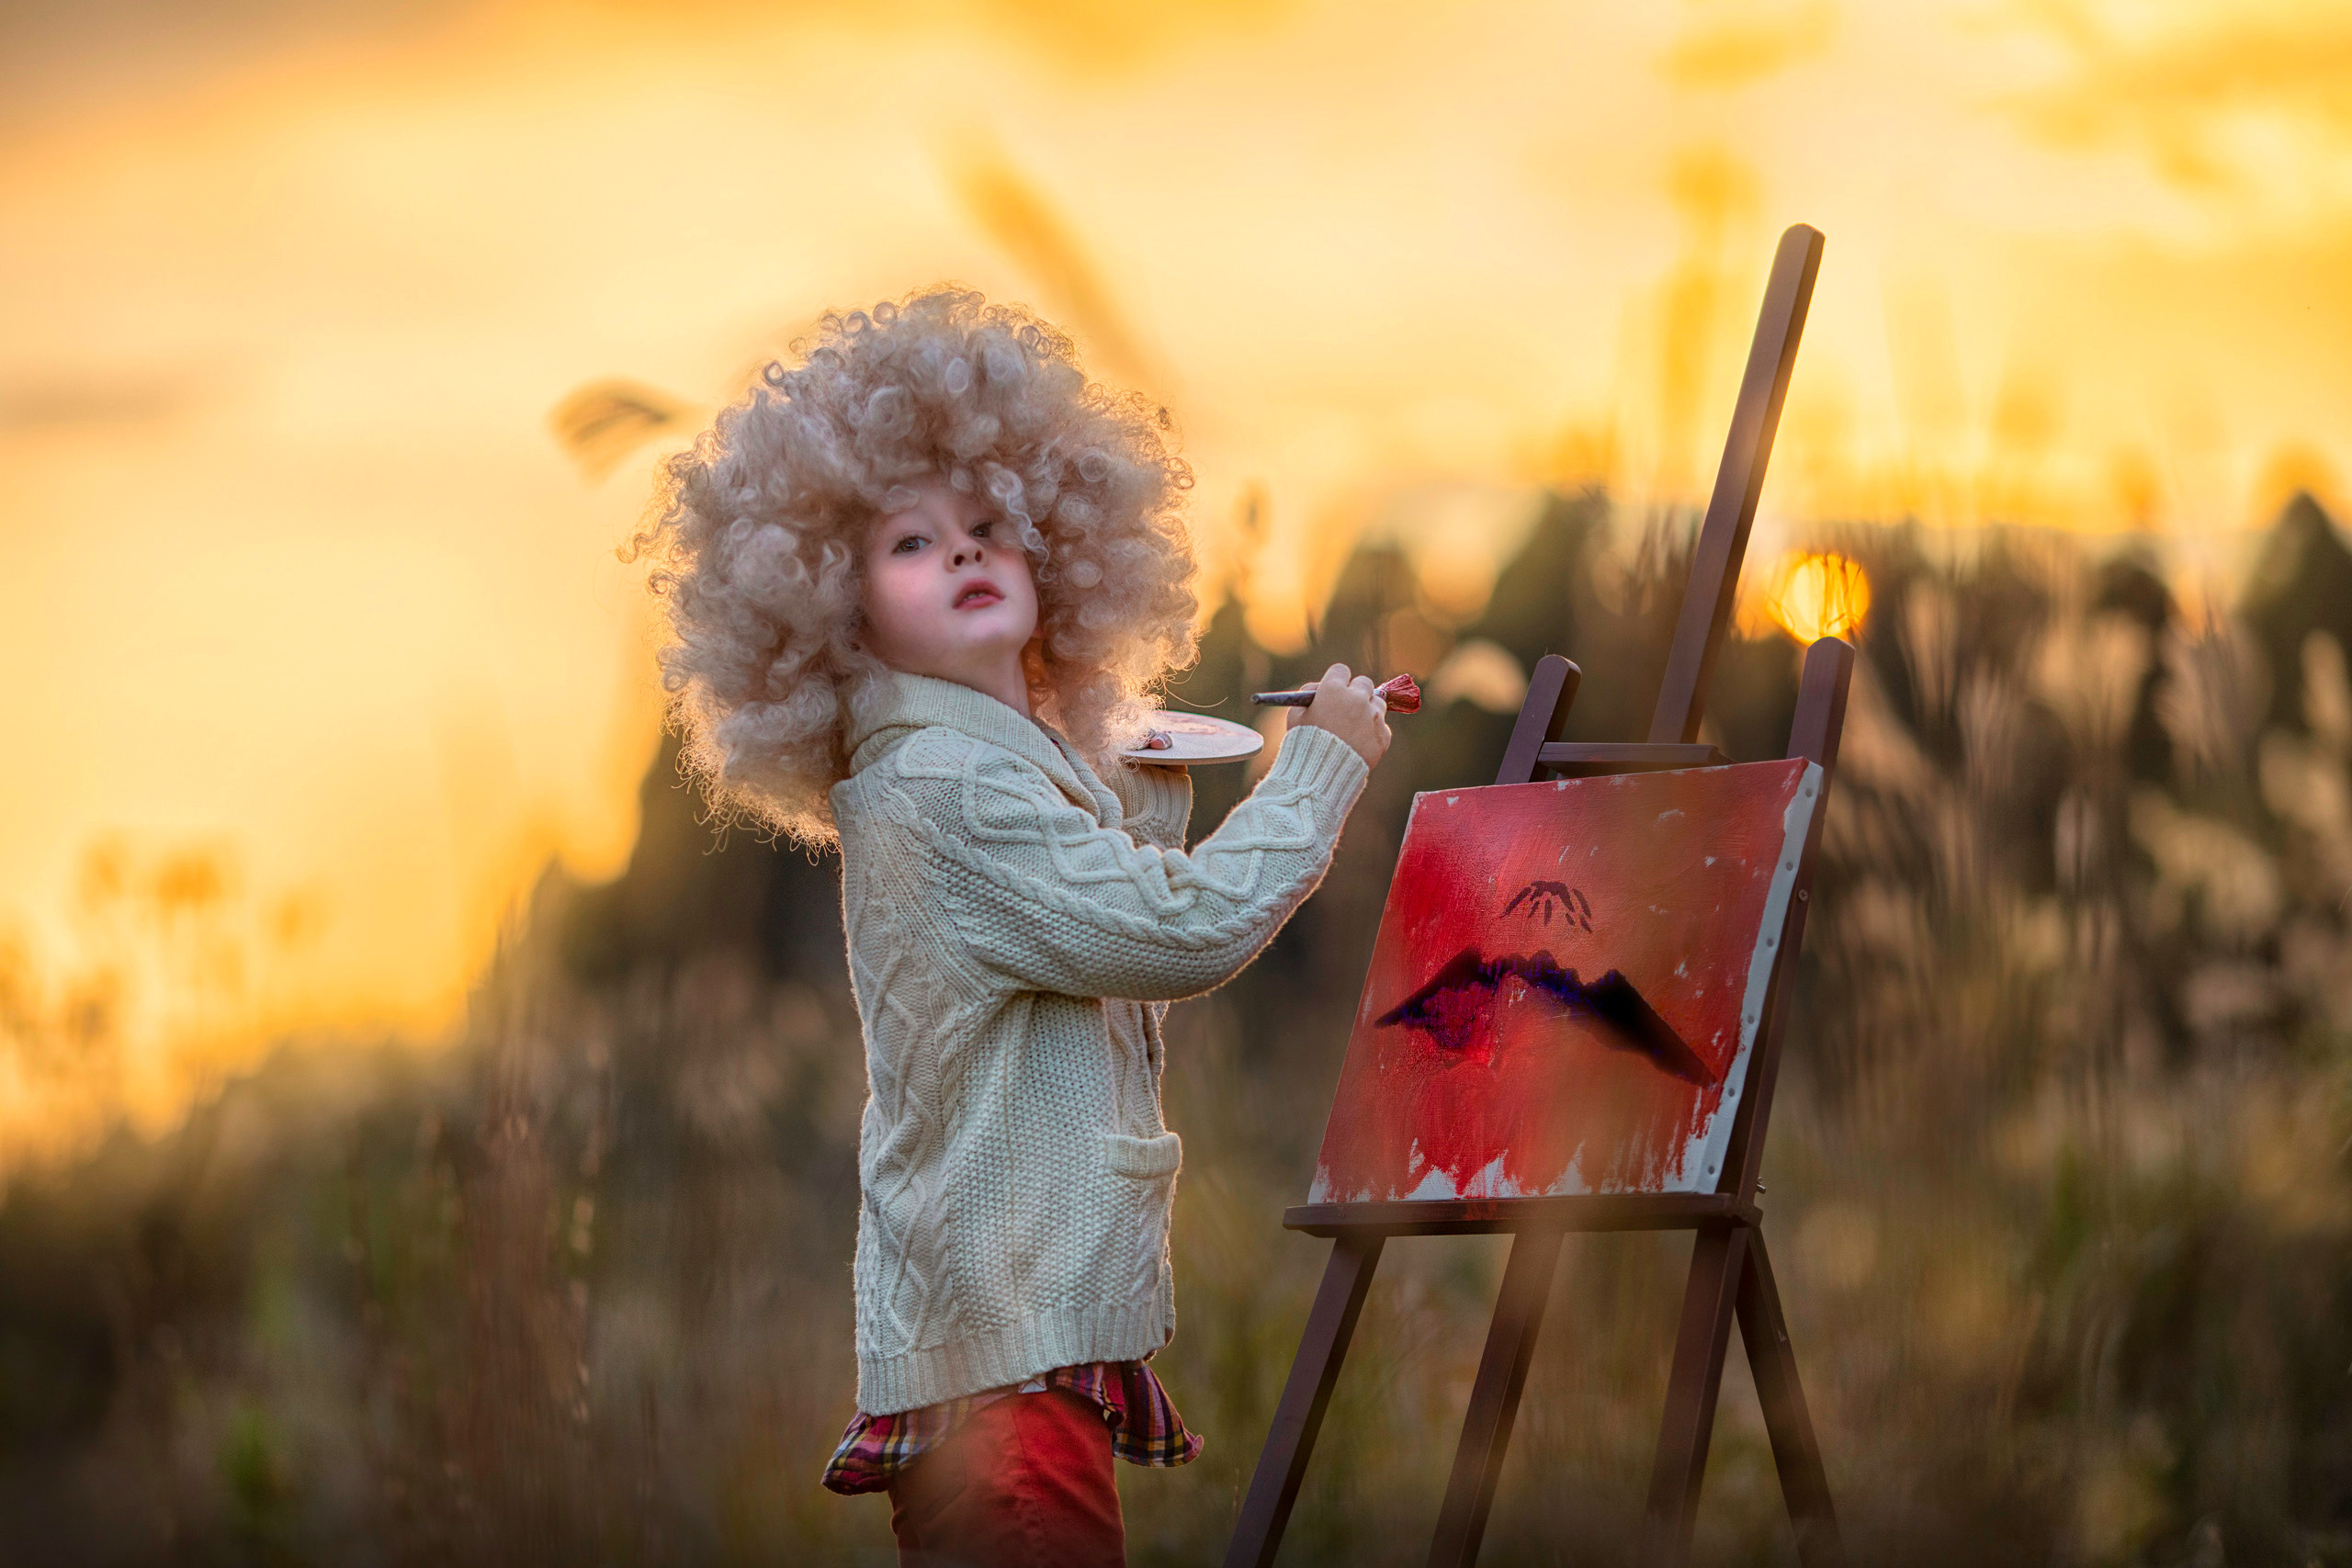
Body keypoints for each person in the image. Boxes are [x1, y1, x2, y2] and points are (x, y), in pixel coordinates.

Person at [626, 287, 1389, 1567]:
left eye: (989, 526)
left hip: (1006, 1373)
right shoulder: (949, 791)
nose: (965, 553)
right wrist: (1316, 774)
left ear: (1055, 548)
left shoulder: (974, 777)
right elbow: (1174, 932)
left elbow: (1076, 931)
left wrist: (1131, 793)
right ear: (835, 610)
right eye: (911, 545)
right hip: (1008, 1399)